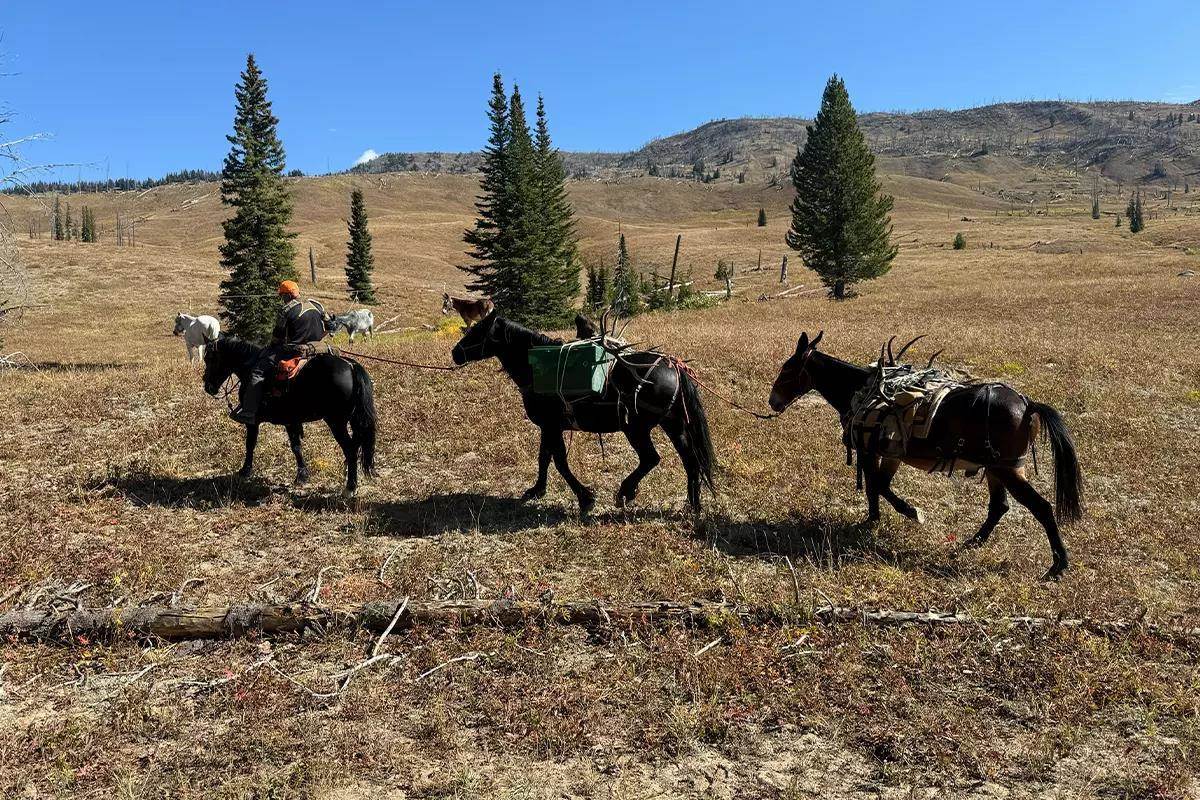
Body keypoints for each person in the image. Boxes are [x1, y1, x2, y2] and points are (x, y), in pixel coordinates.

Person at [230, 281, 328, 425]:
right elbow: (330, 325)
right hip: (320, 348)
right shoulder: (317, 304)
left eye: (282, 296)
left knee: (257, 372)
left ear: (288, 295)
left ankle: (249, 413)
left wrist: (270, 347)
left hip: (296, 350)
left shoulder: (287, 309)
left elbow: (277, 337)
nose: (282, 299)